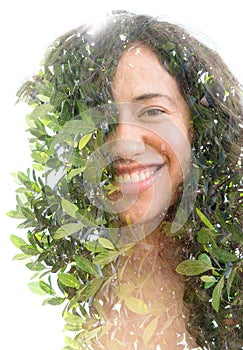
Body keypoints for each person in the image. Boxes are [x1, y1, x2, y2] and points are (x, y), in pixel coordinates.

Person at [14, 11, 242, 350]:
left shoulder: (233, 271)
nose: (124, 141)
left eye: (152, 111)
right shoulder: (60, 282)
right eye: (100, 117)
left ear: (198, 125)